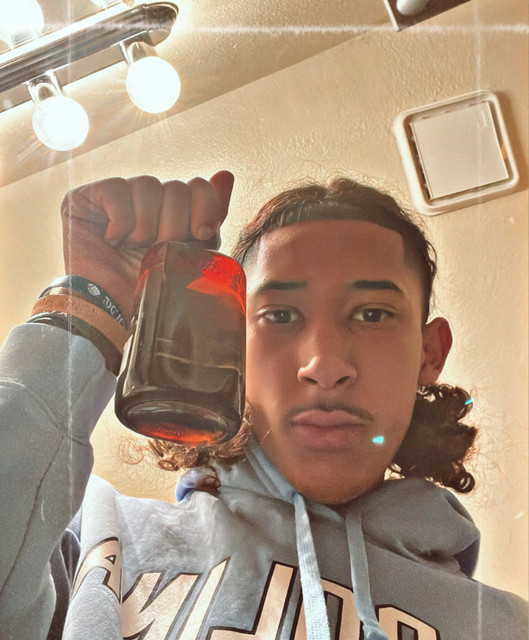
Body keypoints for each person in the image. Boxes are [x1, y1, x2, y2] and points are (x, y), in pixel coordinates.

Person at [0, 171, 526, 640]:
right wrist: (90, 305)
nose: (323, 364)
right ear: (233, 343)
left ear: (429, 353)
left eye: (372, 314)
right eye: (279, 316)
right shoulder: (91, 543)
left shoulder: (505, 626)